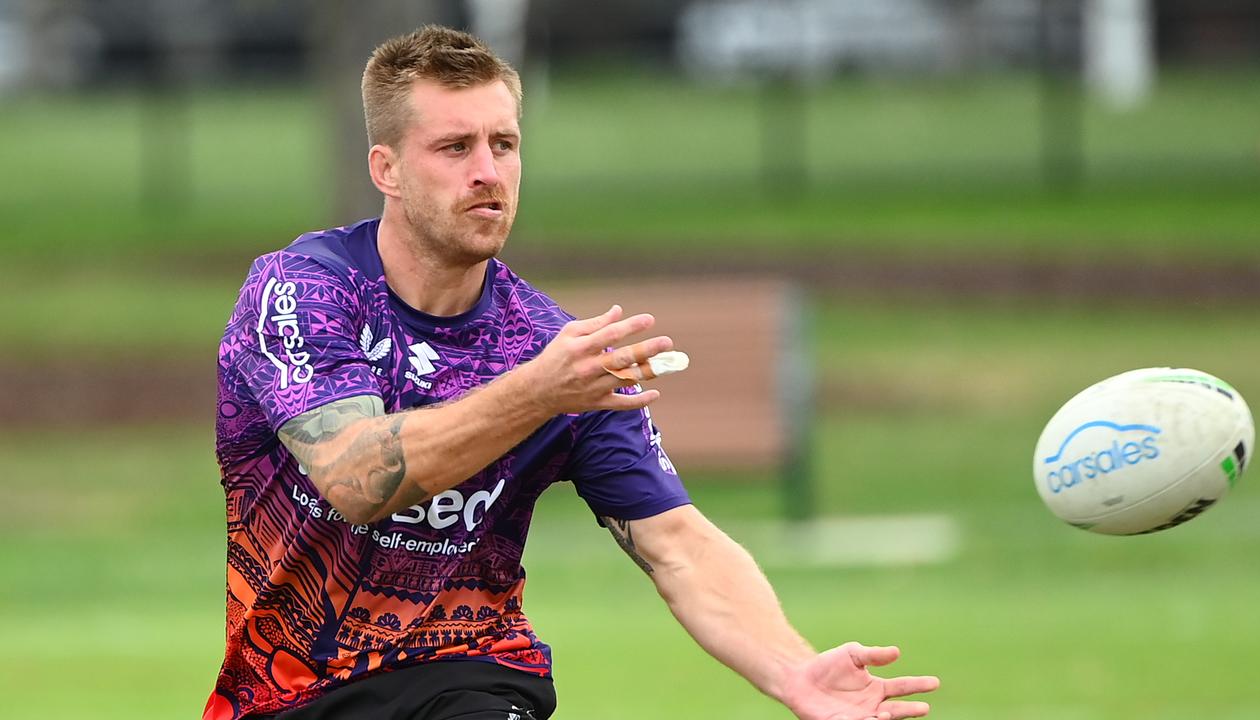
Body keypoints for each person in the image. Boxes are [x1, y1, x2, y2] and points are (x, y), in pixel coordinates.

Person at [205, 24, 939, 720]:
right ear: (386, 169)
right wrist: (536, 392)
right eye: (455, 147)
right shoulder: (304, 293)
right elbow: (357, 478)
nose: (488, 173)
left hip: (470, 672)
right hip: (285, 691)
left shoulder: (553, 347)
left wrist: (791, 668)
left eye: (504, 144)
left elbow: (675, 542)